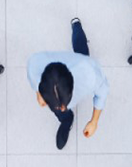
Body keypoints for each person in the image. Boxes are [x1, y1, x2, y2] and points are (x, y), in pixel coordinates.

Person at [27, 18, 109, 150]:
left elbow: (103, 92)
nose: (42, 104)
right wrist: (39, 93)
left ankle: (76, 27)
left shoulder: (90, 75)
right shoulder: (35, 65)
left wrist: (94, 122)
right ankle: (66, 120)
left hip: (82, 64)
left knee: (82, 53)